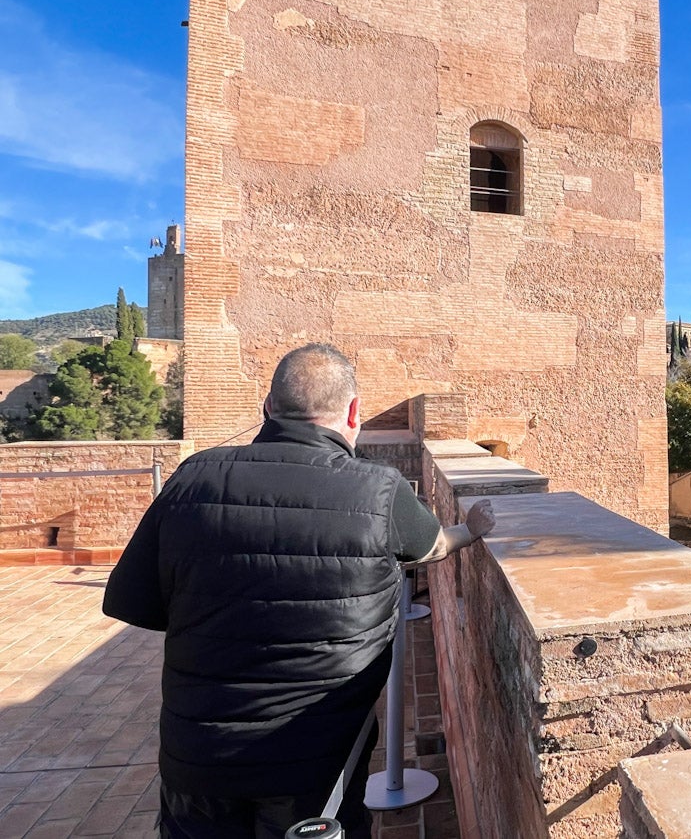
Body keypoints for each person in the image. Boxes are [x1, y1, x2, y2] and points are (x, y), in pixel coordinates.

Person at [103, 343, 495, 838]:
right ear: (354, 413)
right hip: (314, 759)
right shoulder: (377, 490)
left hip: (198, 754)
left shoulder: (192, 477)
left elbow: (137, 604)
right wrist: (472, 529)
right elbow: (431, 547)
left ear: (267, 408)